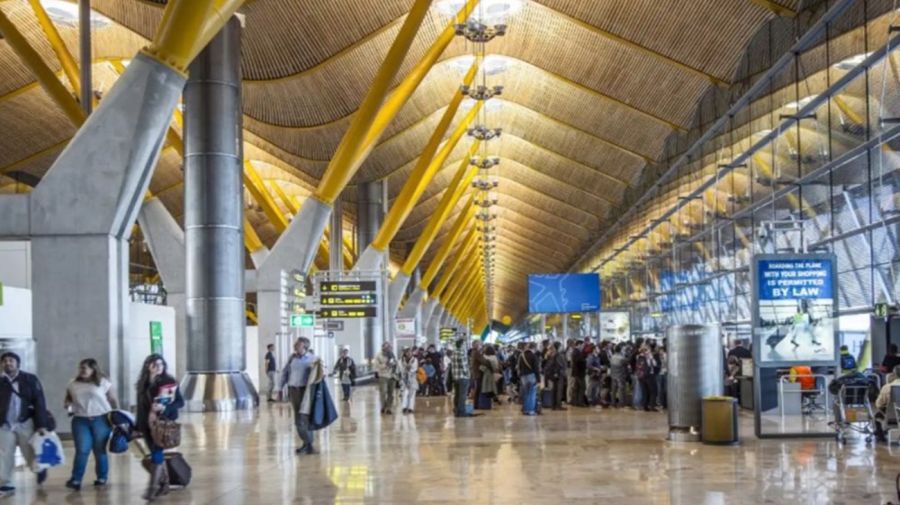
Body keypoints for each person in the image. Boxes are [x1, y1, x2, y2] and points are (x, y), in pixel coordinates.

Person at [0, 351, 51, 497]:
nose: (8, 363)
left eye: (11, 360)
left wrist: (41, 424)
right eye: (5, 361)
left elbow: (39, 401)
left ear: (17, 363)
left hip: (25, 422)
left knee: (29, 451)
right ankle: (6, 483)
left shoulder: (30, 379)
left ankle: (39, 469)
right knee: (4, 454)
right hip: (4, 424)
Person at [64, 358, 119, 491]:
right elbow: (68, 399)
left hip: (101, 419)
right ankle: (76, 479)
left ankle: (102, 477)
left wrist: (117, 416)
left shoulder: (103, 382)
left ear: (93, 369)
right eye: (81, 367)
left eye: (85, 368)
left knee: (99, 449)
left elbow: (113, 399)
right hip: (80, 419)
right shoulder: (73, 383)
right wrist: (68, 405)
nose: (82, 370)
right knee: (82, 449)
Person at [135, 354, 184, 501]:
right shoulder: (142, 383)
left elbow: (180, 402)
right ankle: (164, 484)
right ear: (148, 366)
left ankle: (152, 487)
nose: (158, 367)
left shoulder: (169, 382)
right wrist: (138, 426)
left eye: (161, 364)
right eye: (155, 364)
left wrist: (165, 408)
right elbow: (140, 407)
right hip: (146, 424)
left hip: (162, 424)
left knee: (157, 452)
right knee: (155, 453)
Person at [279, 337, 318, 455]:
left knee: (303, 418)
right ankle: (307, 444)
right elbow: (285, 373)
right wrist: (280, 388)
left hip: (305, 391)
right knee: (298, 418)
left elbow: (319, 375)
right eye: (295, 344)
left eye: (298, 344)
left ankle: (308, 444)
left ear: (304, 346)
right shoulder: (292, 358)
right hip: (293, 390)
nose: (295, 346)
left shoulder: (312, 359)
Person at [875, 365, 900, 442]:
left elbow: (878, 404)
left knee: (877, 416)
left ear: (895, 374)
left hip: (892, 416)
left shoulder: (887, 387)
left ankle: (881, 437)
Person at [373, 342, 398, 415]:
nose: (388, 349)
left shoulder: (392, 355)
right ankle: (383, 407)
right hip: (383, 375)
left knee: (391, 393)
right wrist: (386, 364)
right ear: (383, 347)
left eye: (389, 347)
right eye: (387, 347)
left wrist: (394, 365)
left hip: (392, 376)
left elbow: (396, 364)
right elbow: (376, 366)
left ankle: (389, 407)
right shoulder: (378, 355)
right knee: (383, 392)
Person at [451, 339, 472, 417]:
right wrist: (468, 374)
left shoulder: (453, 353)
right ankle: (461, 412)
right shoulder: (461, 353)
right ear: (462, 345)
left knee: (457, 394)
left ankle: (456, 410)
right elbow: (463, 366)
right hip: (463, 377)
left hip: (455, 377)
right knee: (462, 395)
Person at [518, 342, 540, 416]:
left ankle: (525, 409)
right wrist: (538, 380)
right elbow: (536, 369)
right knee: (532, 394)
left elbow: (519, 367)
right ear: (534, 348)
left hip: (523, 377)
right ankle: (530, 410)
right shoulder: (533, 356)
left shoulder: (522, 355)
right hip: (531, 376)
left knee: (526, 393)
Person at [635, 345, 658, 412]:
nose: (650, 351)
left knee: (645, 391)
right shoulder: (647, 358)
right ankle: (652, 406)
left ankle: (645, 406)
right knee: (653, 391)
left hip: (641, 377)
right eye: (648, 350)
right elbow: (654, 365)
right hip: (649, 376)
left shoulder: (639, 357)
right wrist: (651, 358)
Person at [399, 348, 418, 414]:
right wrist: (406, 369)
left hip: (412, 379)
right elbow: (401, 369)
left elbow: (414, 368)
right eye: (407, 352)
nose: (409, 353)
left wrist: (409, 369)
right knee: (405, 393)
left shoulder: (414, 360)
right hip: (404, 379)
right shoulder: (401, 360)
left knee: (412, 394)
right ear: (405, 353)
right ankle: (404, 407)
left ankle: (410, 408)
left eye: (410, 352)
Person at [470, 341, 485, 408]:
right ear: (475, 345)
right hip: (477, 373)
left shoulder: (473, 352)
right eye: (479, 344)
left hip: (475, 372)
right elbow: (483, 361)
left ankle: (476, 404)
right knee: (478, 389)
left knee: (477, 388)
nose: (480, 346)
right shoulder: (476, 352)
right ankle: (476, 405)